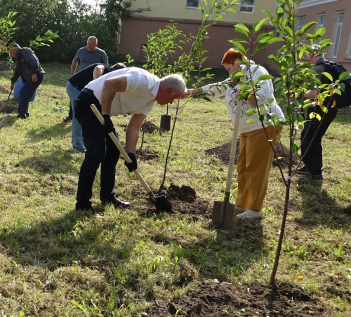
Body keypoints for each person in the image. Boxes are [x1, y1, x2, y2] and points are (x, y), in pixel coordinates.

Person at [186, 49, 283, 220]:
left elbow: (262, 96)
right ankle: (242, 204)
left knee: (256, 167)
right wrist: (189, 92)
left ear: (238, 62)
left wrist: (247, 93)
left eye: (228, 68)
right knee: (243, 165)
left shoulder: (257, 72)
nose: (228, 72)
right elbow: (216, 88)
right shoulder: (235, 78)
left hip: (263, 125)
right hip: (246, 130)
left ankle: (255, 209)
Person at [74, 67, 186, 212]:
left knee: (113, 151)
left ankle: (108, 196)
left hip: (102, 109)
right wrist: (106, 115)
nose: (171, 103)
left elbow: (134, 127)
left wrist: (131, 154)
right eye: (173, 99)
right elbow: (110, 84)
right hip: (88, 103)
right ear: (169, 92)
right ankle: (82, 203)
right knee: (96, 153)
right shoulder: (143, 80)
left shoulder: (151, 100)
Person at [296, 45, 350, 180]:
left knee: (311, 137)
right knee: (309, 135)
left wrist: (301, 95)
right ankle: (309, 166)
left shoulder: (320, 68)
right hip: (330, 108)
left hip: (321, 109)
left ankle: (315, 173)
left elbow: (318, 92)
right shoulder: (333, 65)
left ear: (310, 55)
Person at [66, 62, 126, 153]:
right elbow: (98, 68)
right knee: (78, 115)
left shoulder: (109, 78)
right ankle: (77, 145)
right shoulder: (105, 68)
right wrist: (97, 83)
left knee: (85, 115)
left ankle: (82, 142)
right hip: (75, 87)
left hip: (81, 90)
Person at [64, 36, 110, 122]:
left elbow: (105, 67)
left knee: (90, 98)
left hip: (93, 81)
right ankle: (71, 115)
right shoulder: (81, 51)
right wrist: (73, 74)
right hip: (81, 78)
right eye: (88, 44)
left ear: (96, 44)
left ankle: (90, 116)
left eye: (91, 45)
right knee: (75, 98)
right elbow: (74, 61)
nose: (89, 46)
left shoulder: (102, 54)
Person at [9, 44, 45, 119]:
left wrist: (34, 73)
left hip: (36, 76)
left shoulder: (23, 51)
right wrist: (13, 82)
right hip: (31, 77)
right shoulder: (20, 58)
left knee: (24, 92)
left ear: (14, 49)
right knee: (26, 94)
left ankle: (21, 114)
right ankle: (24, 113)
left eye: (10, 51)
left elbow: (34, 60)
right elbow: (17, 71)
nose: (10, 54)